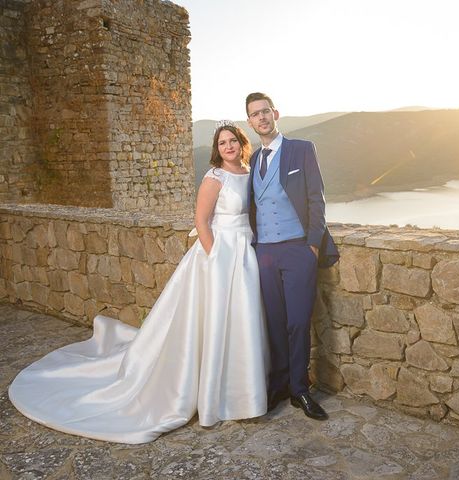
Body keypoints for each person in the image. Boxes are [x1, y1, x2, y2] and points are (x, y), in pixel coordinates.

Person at [8, 123, 269, 444]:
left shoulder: (249, 170)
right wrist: (216, 258)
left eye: (233, 141)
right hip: (219, 255)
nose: (228, 146)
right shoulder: (215, 177)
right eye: (222, 142)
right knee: (212, 322)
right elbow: (201, 221)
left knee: (242, 320)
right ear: (217, 148)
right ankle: (211, 396)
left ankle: (243, 391)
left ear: (241, 143)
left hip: (246, 251)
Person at [245, 92, 339, 421]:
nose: (262, 118)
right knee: (274, 322)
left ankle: (300, 389)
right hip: (265, 252)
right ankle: (280, 386)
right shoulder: (253, 161)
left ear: (276, 113)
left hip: (299, 249)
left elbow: (316, 198)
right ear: (250, 122)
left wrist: (312, 245)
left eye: (265, 111)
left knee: (299, 321)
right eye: (255, 114)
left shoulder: (301, 149)